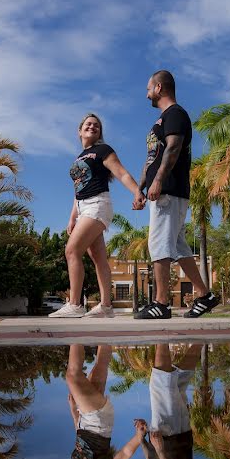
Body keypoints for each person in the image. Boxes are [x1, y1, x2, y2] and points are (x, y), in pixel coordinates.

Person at [133, 70, 219, 320]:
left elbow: (173, 148)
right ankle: (205, 295)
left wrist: (158, 181)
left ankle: (161, 303)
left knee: (158, 243)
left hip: (169, 190)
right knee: (179, 247)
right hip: (160, 190)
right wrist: (140, 187)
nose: (147, 92)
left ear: (159, 88)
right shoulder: (160, 121)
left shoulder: (176, 114)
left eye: (149, 87)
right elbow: (152, 157)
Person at [50, 113, 144, 318]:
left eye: (97, 126)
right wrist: (72, 217)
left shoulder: (103, 150)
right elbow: (77, 190)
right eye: (88, 124)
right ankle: (106, 307)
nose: (92, 127)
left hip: (98, 204)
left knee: (72, 250)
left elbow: (121, 173)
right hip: (84, 207)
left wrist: (137, 191)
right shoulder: (79, 157)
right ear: (80, 130)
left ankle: (74, 304)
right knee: (98, 257)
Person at [66, 344, 147, 459]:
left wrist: (74, 413)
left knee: (100, 365)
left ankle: (105, 320)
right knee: (73, 376)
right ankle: (74, 330)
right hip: (97, 423)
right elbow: (124, 454)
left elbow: (81, 441)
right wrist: (139, 436)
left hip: (87, 422)